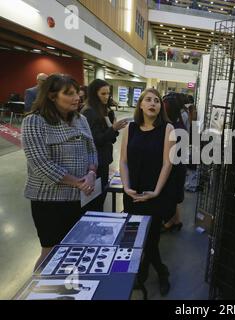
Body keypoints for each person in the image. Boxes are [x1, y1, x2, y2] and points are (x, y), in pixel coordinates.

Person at [21, 74, 98, 270]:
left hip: (79, 197)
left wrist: (91, 172)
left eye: (77, 93)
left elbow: (92, 149)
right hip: (49, 201)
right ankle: (39, 291)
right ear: (52, 96)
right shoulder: (34, 122)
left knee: (74, 248)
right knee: (50, 252)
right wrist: (77, 182)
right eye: (69, 94)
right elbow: (40, 164)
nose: (77, 97)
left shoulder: (81, 119)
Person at [120, 88, 175, 296]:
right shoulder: (130, 128)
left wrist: (156, 191)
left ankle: (160, 272)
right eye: (148, 100)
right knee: (135, 237)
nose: (153, 103)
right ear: (141, 105)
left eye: (157, 101)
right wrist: (126, 187)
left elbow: (167, 164)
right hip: (132, 193)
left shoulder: (167, 129)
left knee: (151, 239)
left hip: (155, 194)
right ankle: (148, 270)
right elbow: (123, 161)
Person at [81, 79, 127, 212]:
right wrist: (113, 129)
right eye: (103, 93)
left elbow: (110, 139)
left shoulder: (104, 110)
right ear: (94, 94)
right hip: (94, 162)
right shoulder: (89, 112)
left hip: (103, 159)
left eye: (108, 93)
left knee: (101, 196)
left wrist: (113, 129)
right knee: (94, 200)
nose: (107, 97)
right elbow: (95, 140)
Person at [162, 93, 187, 232]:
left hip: (174, 167)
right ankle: (177, 220)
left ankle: (169, 222)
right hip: (178, 166)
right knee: (175, 196)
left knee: (170, 197)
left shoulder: (173, 128)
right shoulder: (179, 125)